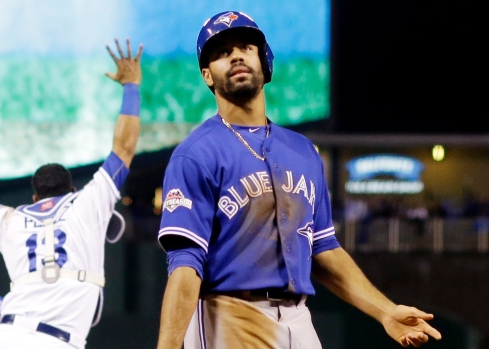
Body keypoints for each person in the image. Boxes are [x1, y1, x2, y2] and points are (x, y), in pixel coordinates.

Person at [155, 11, 442, 349]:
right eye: (220, 52)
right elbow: (185, 264)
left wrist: (385, 311)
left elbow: (323, 248)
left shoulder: (302, 150)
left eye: (246, 47)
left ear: (264, 60)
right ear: (207, 76)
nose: (235, 56)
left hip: (298, 318)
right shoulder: (196, 154)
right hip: (229, 312)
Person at [0, 38, 142, 349]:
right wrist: (131, 87)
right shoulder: (87, 203)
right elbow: (124, 148)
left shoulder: (11, 219)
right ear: (71, 190)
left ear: (35, 198)